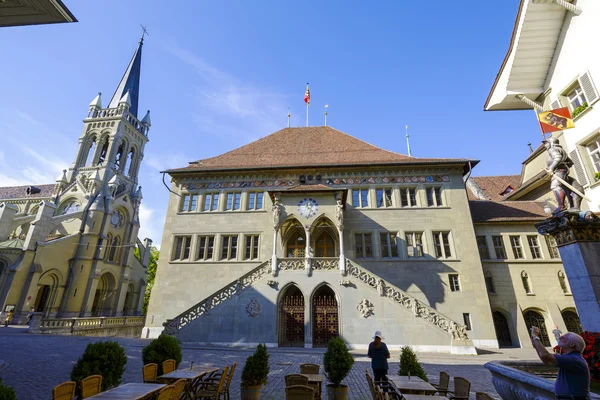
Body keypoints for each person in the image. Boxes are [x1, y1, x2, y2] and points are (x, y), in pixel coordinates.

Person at [530, 326, 590, 399]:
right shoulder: (571, 357)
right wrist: (535, 342)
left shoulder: (573, 359)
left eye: (564, 337)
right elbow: (548, 362)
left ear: (572, 344)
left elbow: (545, 355)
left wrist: (535, 337)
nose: (560, 337)